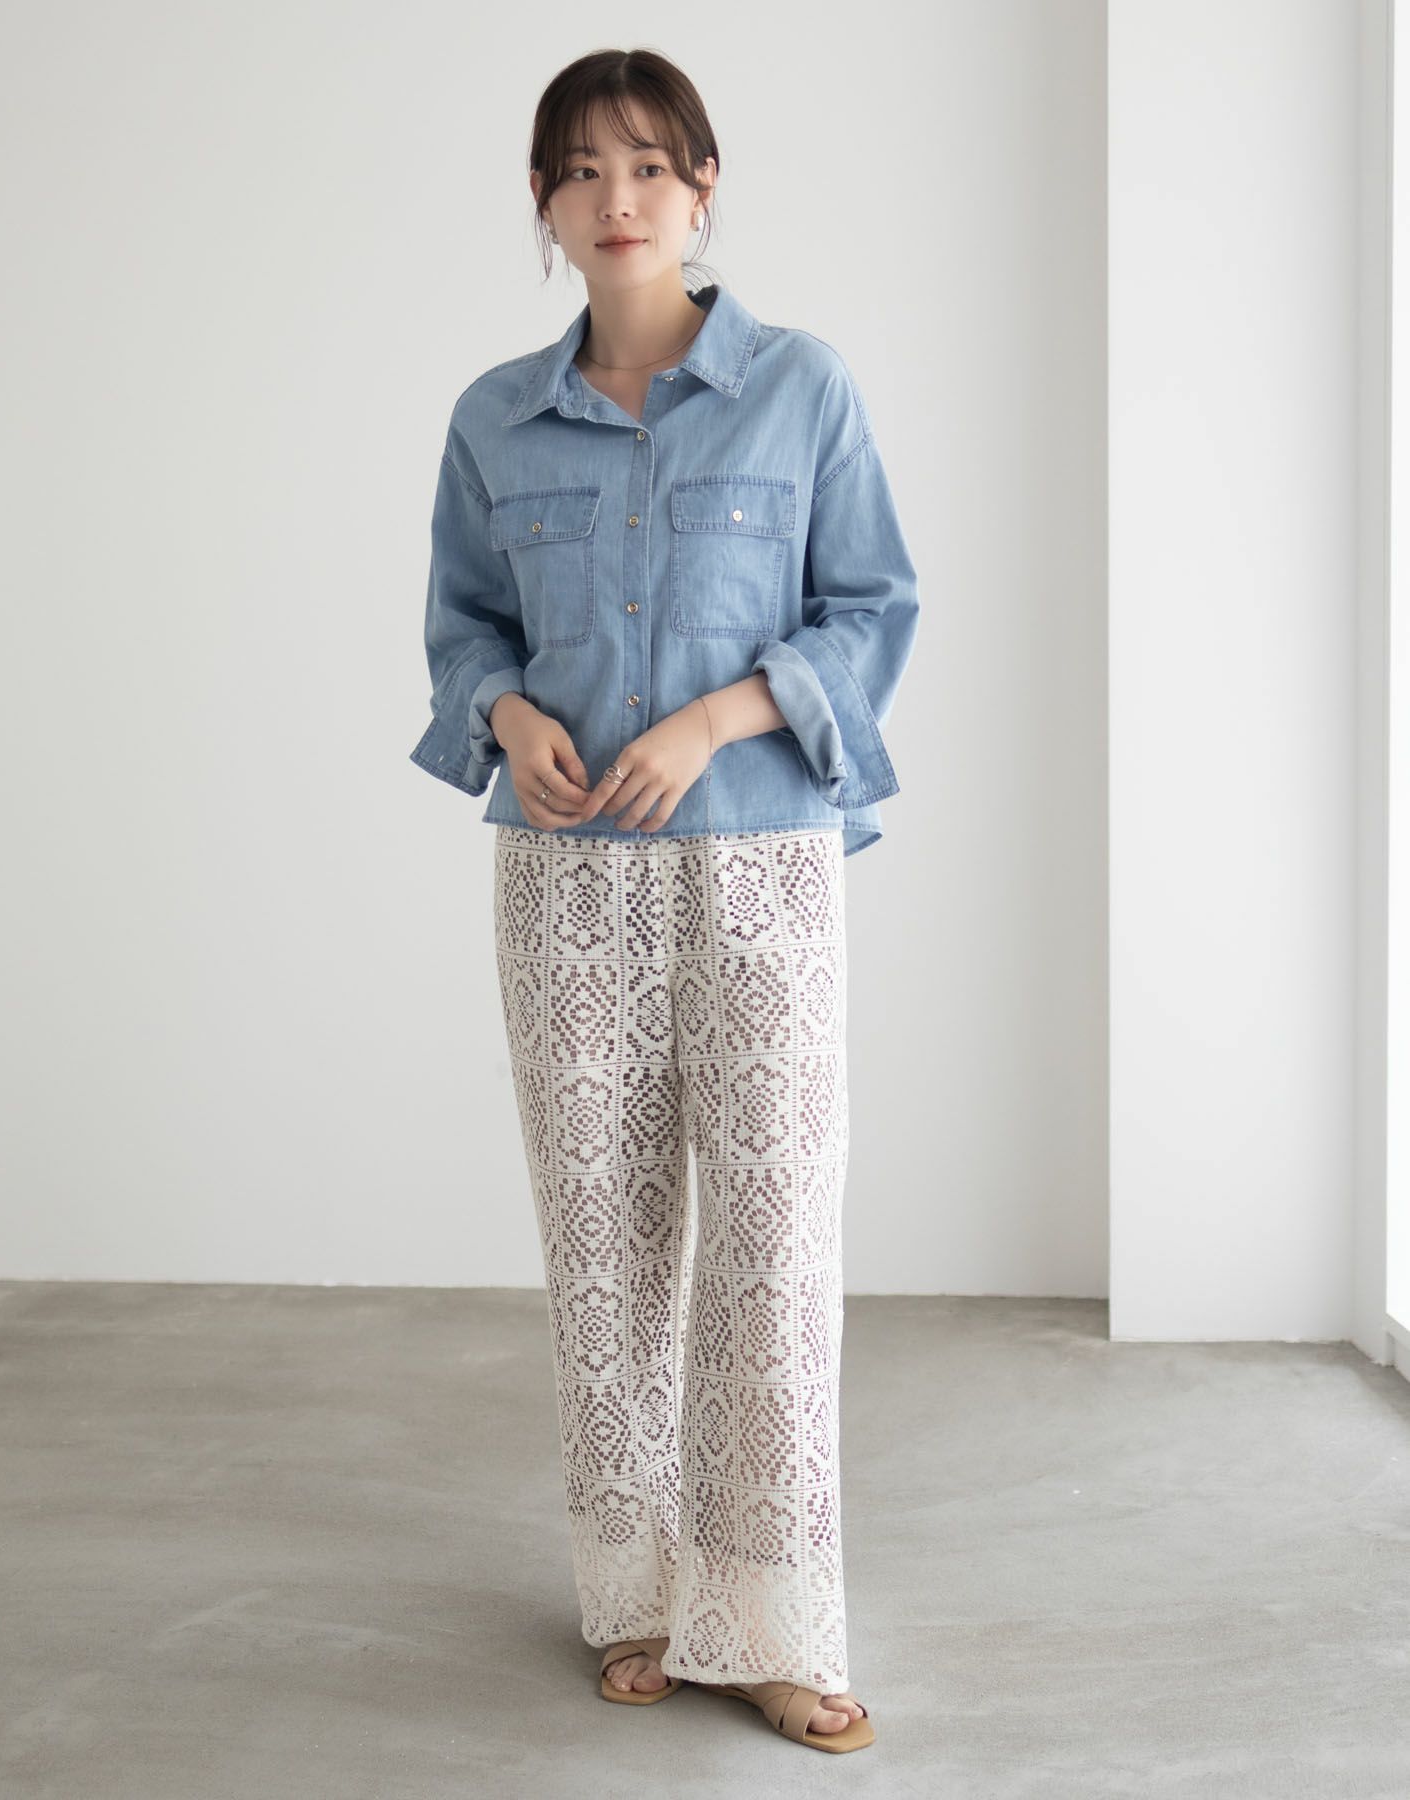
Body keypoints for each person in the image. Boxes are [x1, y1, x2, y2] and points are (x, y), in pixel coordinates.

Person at [409, 48, 920, 1757]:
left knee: (772, 1243)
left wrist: (715, 719)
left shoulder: (801, 389)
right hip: (565, 884)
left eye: (647, 167)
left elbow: (871, 608)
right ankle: (635, 1595)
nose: (615, 201)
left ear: (704, 187)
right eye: (580, 171)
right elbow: (465, 631)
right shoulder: (494, 418)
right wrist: (507, 716)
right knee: (602, 1247)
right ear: (542, 204)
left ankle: (771, 1622)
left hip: (760, 867)